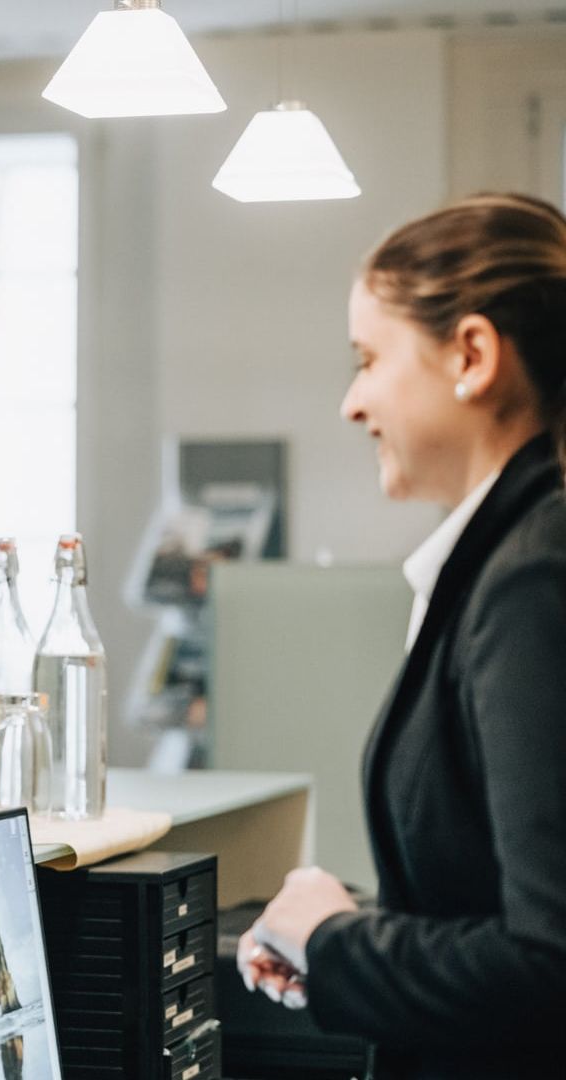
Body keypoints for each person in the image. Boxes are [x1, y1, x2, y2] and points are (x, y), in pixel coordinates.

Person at [239, 193, 566, 1078]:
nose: (351, 403)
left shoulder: (532, 579)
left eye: (368, 359)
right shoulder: (509, 557)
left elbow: (549, 966)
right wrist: (351, 936)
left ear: (471, 354)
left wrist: (339, 940)